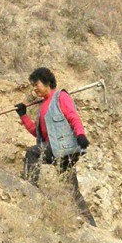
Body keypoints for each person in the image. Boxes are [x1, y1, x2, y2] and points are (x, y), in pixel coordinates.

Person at [15, 67, 97, 227]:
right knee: (71, 189)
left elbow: (73, 116)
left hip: (63, 147)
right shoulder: (43, 107)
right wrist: (23, 115)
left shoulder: (61, 96)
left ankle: (29, 189)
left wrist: (80, 134)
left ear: (46, 82)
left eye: (36, 84)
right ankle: (91, 224)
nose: (34, 89)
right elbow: (37, 133)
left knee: (32, 153)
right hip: (56, 150)